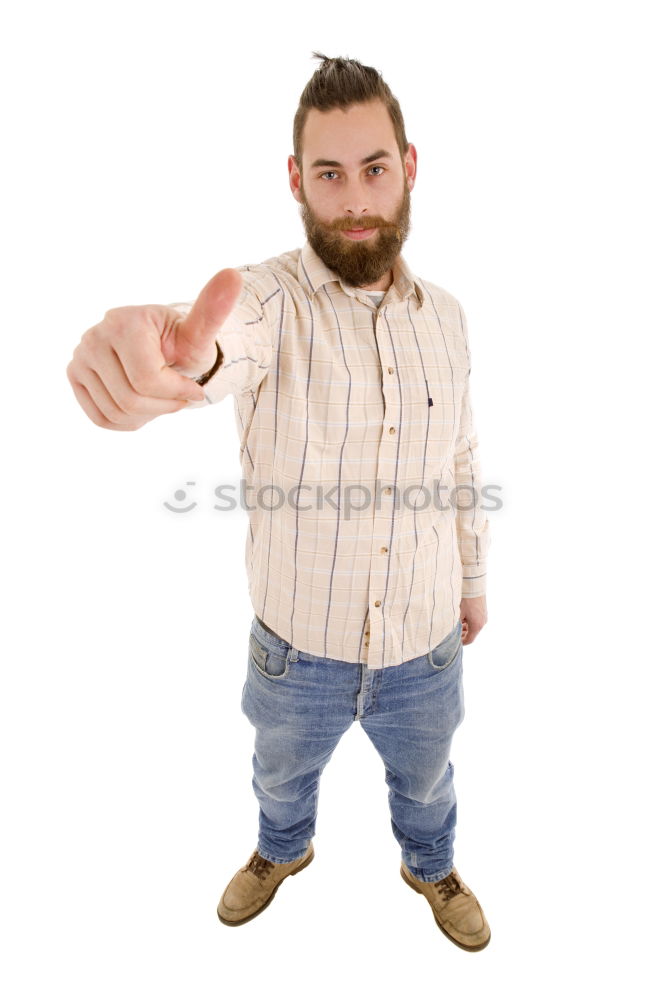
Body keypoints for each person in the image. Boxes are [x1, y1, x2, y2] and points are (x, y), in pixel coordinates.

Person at [66, 53, 492, 951]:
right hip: (297, 651)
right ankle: (281, 850)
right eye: (329, 175)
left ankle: (430, 864)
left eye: (374, 168)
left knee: (428, 781)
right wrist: (167, 353)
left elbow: (460, 454)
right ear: (296, 181)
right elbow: (220, 342)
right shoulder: (270, 304)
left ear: (408, 167)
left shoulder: (448, 318)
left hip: (426, 645)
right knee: (279, 776)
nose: (355, 199)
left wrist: (474, 580)